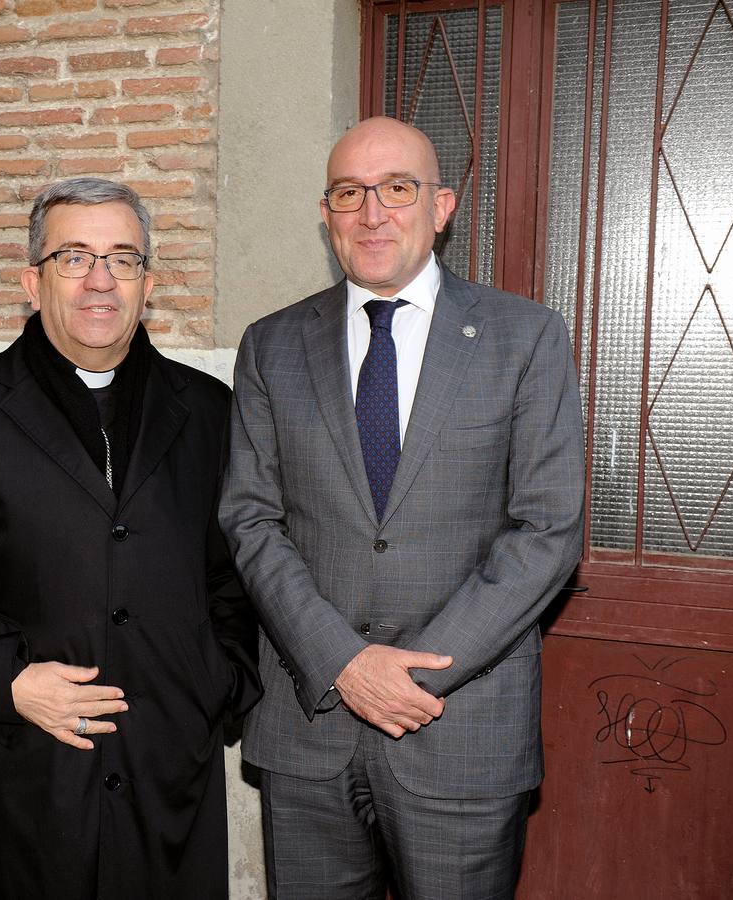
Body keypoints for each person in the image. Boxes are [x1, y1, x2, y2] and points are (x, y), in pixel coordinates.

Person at [219, 116, 585, 898]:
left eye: (398, 188)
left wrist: (411, 676)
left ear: (442, 205)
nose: (372, 212)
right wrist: (344, 664)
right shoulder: (271, 345)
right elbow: (251, 519)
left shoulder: (526, 338)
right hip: (308, 722)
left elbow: (547, 530)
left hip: (459, 731)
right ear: (326, 213)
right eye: (350, 192)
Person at [0, 177, 262, 899]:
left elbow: (234, 572)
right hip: (24, 775)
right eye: (74, 258)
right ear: (33, 280)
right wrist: (8, 683)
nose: (100, 281)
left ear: (147, 283)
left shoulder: (209, 409)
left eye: (123, 259)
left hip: (167, 772)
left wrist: (220, 684)